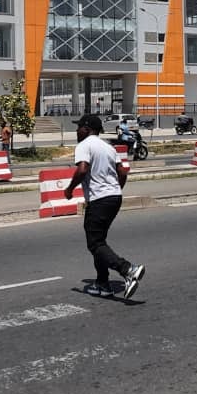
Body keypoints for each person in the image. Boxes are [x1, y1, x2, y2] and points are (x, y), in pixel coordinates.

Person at [65, 115, 145, 299]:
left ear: (87, 129)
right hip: (114, 198)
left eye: (79, 128)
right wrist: (115, 189)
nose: (77, 131)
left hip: (99, 200)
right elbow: (123, 172)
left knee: (94, 243)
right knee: (99, 242)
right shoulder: (109, 147)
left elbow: (82, 169)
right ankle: (103, 283)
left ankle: (128, 270)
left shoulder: (84, 145)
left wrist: (69, 189)